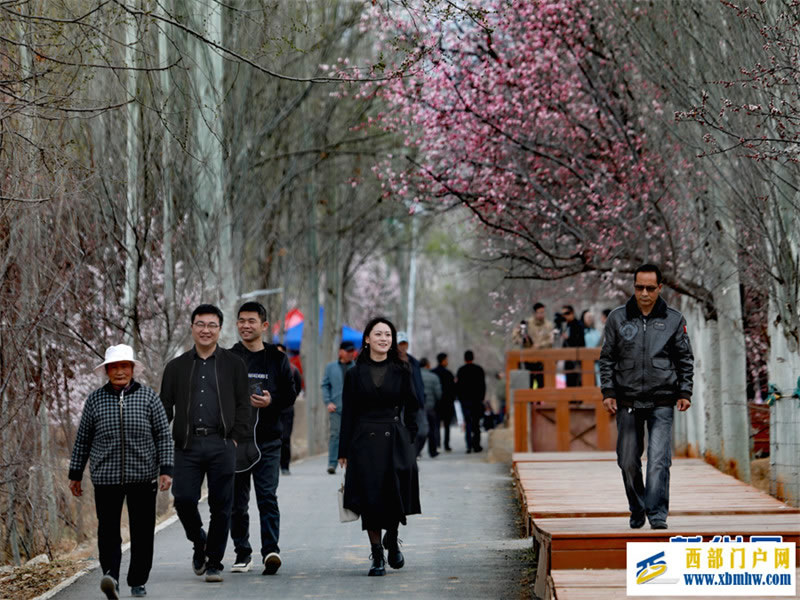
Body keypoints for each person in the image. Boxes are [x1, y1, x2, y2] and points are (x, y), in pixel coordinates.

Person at [69, 344, 173, 600]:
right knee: (108, 531)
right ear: (106, 371)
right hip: (106, 477)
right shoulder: (95, 400)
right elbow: (83, 439)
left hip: (143, 475)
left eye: (123, 366)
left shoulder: (148, 397)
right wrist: (75, 472)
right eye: (113, 367)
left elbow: (163, 436)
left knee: (142, 531)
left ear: (132, 369)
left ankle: (138, 581)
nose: (119, 372)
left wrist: (166, 469)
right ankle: (110, 576)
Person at [599, 264, 694, 530]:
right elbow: (606, 359)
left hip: (662, 399)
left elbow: (685, 359)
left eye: (650, 288)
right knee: (627, 460)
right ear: (634, 287)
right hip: (627, 400)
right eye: (639, 287)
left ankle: (657, 514)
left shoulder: (674, 320)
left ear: (660, 288)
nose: (644, 293)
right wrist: (608, 391)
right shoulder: (618, 318)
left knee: (658, 460)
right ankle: (637, 505)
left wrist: (685, 390)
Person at [160, 304, 251, 583]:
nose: (206, 330)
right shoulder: (176, 367)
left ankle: (214, 562)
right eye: (200, 324)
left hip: (221, 443)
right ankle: (199, 540)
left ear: (220, 329)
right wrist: (162, 446)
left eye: (212, 325)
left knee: (221, 505)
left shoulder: (234, 364)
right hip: (186, 445)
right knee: (184, 499)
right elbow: (164, 409)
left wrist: (235, 439)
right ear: (192, 327)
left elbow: (243, 405)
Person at [338, 317, 420, 576]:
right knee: (369, 497)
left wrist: (410, 437)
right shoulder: (354, 373)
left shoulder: (402, 370)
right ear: (367, 339)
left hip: (395, 437)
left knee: (393, 494)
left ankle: (392, 540)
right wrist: (343, 450)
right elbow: (348, 412)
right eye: (378, 334)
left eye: (388, 334)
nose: (384, 339)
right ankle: (376, 555)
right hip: (363, 440)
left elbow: (413, 405)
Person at [229, 302, 298, 575]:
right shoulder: (229, 358)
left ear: (264, 325)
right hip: (237, 441)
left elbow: (290, 395)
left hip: (269, 441)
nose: (246, 325)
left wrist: (271, 400)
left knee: (267, 497)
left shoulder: (277, 358)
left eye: (252, 321)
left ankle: (271, 550)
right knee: (237, 502)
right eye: (242, 321)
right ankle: (242, 553)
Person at [321, 341, 357, 474]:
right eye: (347, 351)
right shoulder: (331, 367)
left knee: (354, 435)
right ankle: (332, 463)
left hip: (354, 409)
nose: (350, 354)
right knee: (335, 435)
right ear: (340, 352)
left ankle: (353, 463)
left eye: (352, 351)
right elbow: (325, 385)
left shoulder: (356, 367)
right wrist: (328, 401)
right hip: (336, 408)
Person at [396, 331, 428, 458]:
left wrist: (422, 397)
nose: (403, 347)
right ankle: (409, 459)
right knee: (404, 432)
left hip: (417, 402)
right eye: (400, 344)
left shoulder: (414, 362)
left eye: (405, 343)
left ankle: (412, 455)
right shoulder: (392, 362)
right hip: (400, 404)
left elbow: (419, 382)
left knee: (423, 431)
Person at [512, 302, 554, 388]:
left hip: (543, 360)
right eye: (540, 312)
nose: (542, 314)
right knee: (528, 385)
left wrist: (540, 345)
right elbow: (515, 336)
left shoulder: (549, 325)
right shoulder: (526, 324)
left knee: (542, 385)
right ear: (535, 313)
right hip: (528, 359)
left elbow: (551, 340)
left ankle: (540, 402)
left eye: (543, 312)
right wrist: (523, 341)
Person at [276, 343, 302, 475]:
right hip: (270, 409)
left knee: (285, 438)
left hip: (287, 409)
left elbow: (297, 387)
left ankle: (285, 465)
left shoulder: (292, 370)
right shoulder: (265, 369)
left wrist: (288, 399)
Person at [456, 350, 486, 453]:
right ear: (473, 358)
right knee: (476, 423)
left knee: (468, 423)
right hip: (476, 400)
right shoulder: (479, 370)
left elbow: (458, 387)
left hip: (465, 401)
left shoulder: (461, 370)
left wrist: (460, 398)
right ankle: (476, 445)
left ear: (465, 358)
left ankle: (468, 446)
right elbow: (483, 385)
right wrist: (482, 398)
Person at [431, 353, 456, 452]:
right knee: (447, 425)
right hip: (447, 403)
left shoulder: (433, 372)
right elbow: (453, 389)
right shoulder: (449, 373)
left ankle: (437, 444)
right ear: (443, 361)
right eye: (446, 360)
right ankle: (446, 444)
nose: (447, 362)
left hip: (436, 403)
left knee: (436, 424)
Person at [419, 357, 442, 458]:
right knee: (432, 429)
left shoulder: (415, 376)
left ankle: (417, 451)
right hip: (430, 407)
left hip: (418, 407)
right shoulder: (434, 377)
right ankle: (432, 451)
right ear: (427, 365)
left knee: (418, 429)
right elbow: (438, 394)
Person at [560, 305, 585, 387]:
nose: (565, 316)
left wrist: (569, 338)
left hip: (577, 359)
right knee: (569, 383)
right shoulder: (564, 326)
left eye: (567, 313)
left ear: (572, 313)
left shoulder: (579, 324)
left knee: (578, 382)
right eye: (563, 314)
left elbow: (580, 342)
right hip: (568, 359)